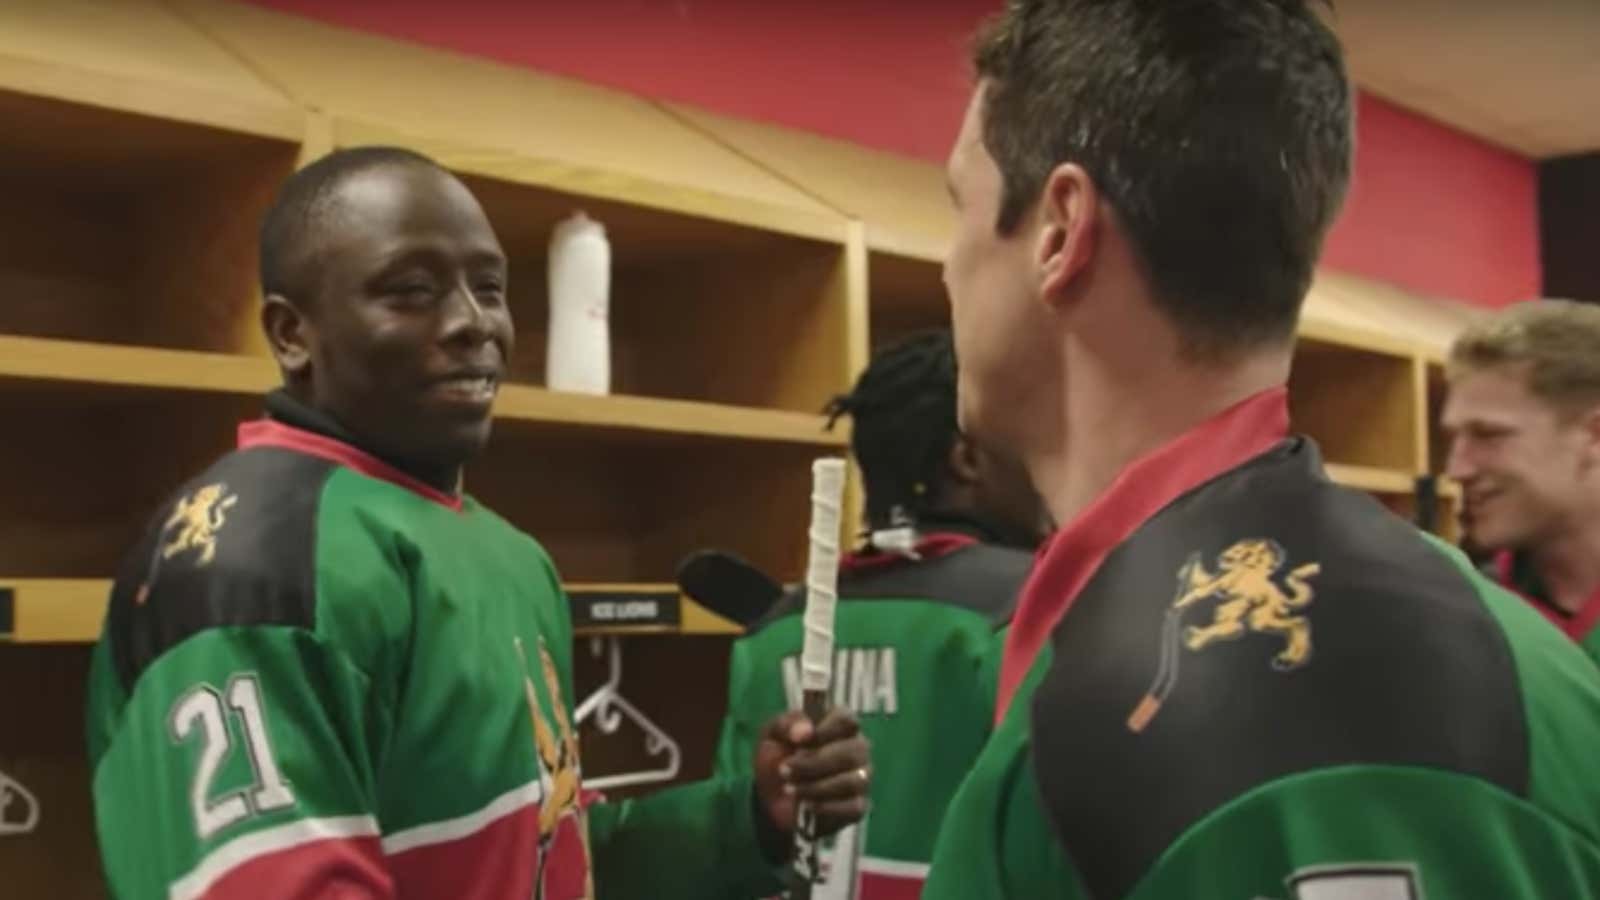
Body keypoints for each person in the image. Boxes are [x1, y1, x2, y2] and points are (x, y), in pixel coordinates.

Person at [925, 1, 1600, 898]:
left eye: (959, 207)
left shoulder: (1139, 710)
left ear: (1059, 231)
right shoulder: (1521, 650)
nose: (947, 265)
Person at [83, 146, 871, 900]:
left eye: (489, 288)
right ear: (293, 334)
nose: (473, 323)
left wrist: (746, 821)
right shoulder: (253, 567)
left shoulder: (508, 554)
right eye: (411, 290)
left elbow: (546, 853)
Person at [711, 329, 1046, 899]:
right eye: (1032, 436)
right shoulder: (1032, 609)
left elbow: (727, 857)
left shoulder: (771, 633)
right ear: (965, 458)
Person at [1442, 298, 1600, 664]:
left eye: (1488, 435)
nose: (1457, 469)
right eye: (1455, 439)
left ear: (1593, 437)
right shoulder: (1458, 617)